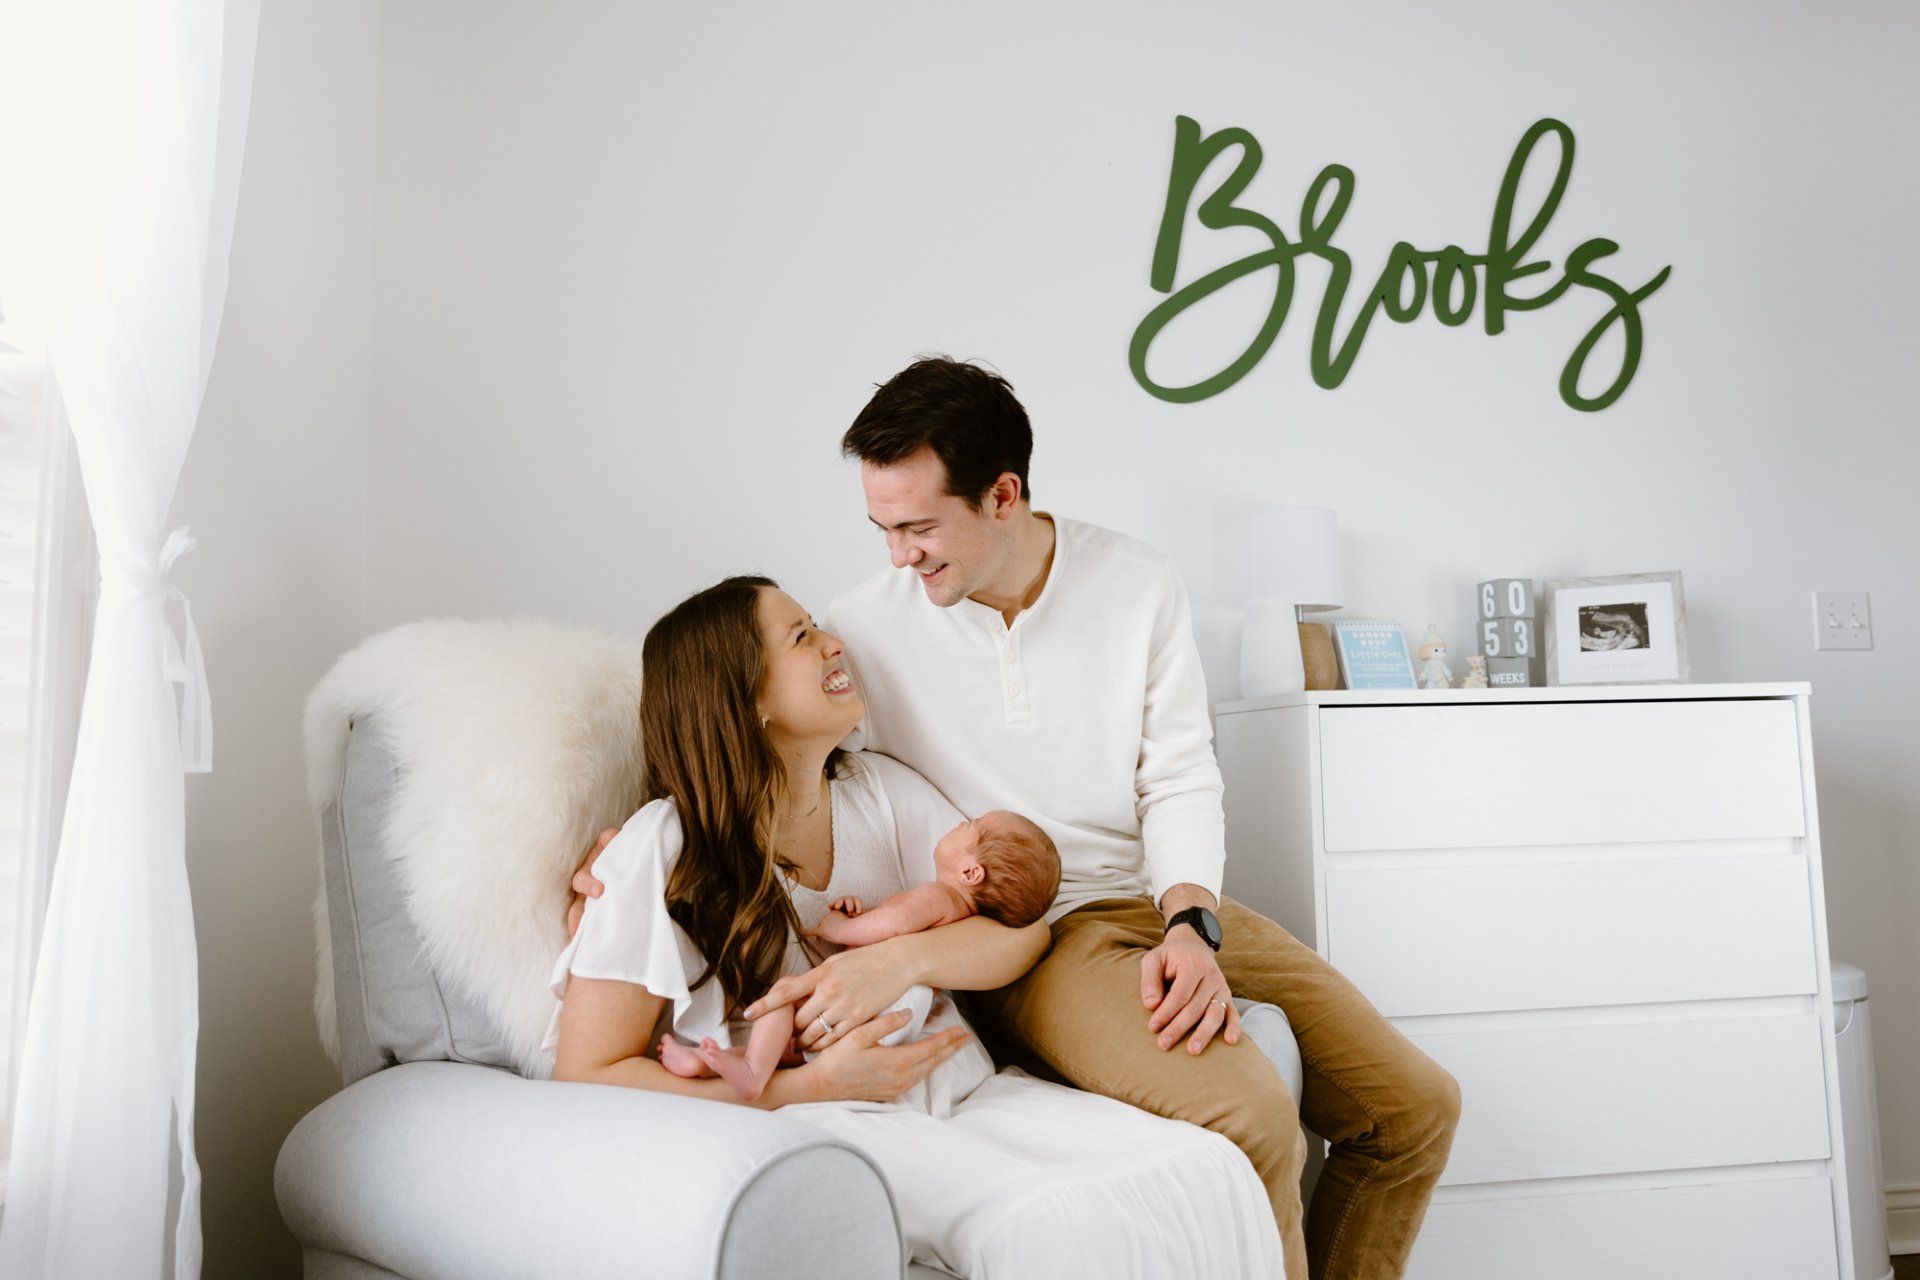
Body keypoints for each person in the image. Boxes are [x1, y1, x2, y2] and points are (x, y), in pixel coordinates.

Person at [550, 575, 1286, 1278]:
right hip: (827, 1120)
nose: (835, 643)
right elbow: (587, 1074)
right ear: (746, 701)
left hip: (963, 1090)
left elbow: (1018, 932)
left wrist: (894, 964)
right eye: (803, 636)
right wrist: (811, 1088)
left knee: (1202, 1170)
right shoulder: (662, 848)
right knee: (1048, 1224)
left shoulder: (879, 794)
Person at [654, 808, 1058, 1101]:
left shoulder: (938, 896)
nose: (960, 820)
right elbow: (894, 922)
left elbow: (895, 926)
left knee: (784, 996)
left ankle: (751, 1068)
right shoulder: (952, 911)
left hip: (886, 1004)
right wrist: (864, 913)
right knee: (796, 1047)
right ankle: (716, 1063)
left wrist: (841, 928)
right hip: (900, 1015)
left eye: (970, 825)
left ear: (971, 873)